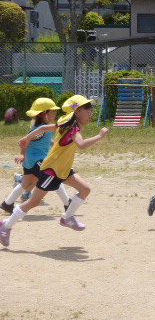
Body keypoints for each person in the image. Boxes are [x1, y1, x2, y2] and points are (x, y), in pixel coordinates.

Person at [0, 95, 109, 247]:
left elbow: (44, 128)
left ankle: (67, 217)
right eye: (87, 109)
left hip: (62, 169)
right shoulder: (72, 127)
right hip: (52, 170)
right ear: (76, 112)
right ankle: (5, 226)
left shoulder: (65, 122)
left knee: (85, 189)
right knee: (33, 201)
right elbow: (82, 144)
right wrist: (100, 136)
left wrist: (27, 138)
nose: (90, 113)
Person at [1, 98, 71, 214]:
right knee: (54, 178)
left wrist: (56, 145)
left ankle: (7, 204)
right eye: (52, 111)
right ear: (44, 114)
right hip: (37, 160)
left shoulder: (43, 128)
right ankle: (68, 204)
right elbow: (24, 142)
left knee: (27, 182)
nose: (55, 113)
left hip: (31, 161)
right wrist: (22, 154)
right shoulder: (41, 129)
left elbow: (45, 140)